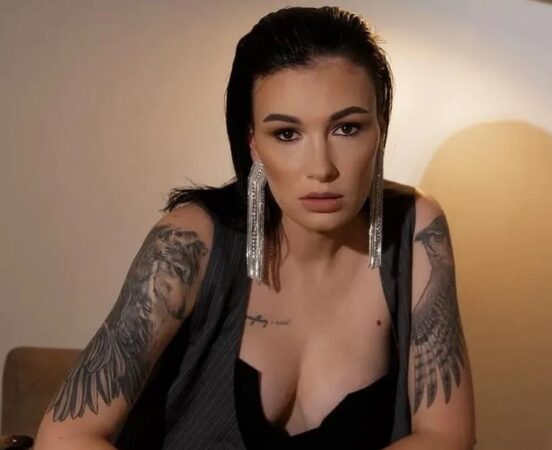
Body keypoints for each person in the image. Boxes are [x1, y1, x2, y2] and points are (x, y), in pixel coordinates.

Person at [34, 5, 476, 450]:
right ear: (253, 145)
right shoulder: (190, 242)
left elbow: (446, 435)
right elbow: (65, 436)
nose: (321, 168)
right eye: (286, 134)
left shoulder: (416, 229)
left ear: (380, 129)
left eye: (346, 128)